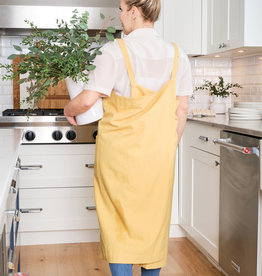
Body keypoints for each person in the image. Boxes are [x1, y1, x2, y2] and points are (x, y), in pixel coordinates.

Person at [64, 0, 193, 275]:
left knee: (117, 220)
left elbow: (87, 100)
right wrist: (169, 145)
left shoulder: (114, 52)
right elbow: (181, 108)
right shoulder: (178, 54)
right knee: (154, 221)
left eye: (122, 10)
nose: (120, 17)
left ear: (134, 12)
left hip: (119, 155)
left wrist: (68, 108)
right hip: (160, 154)